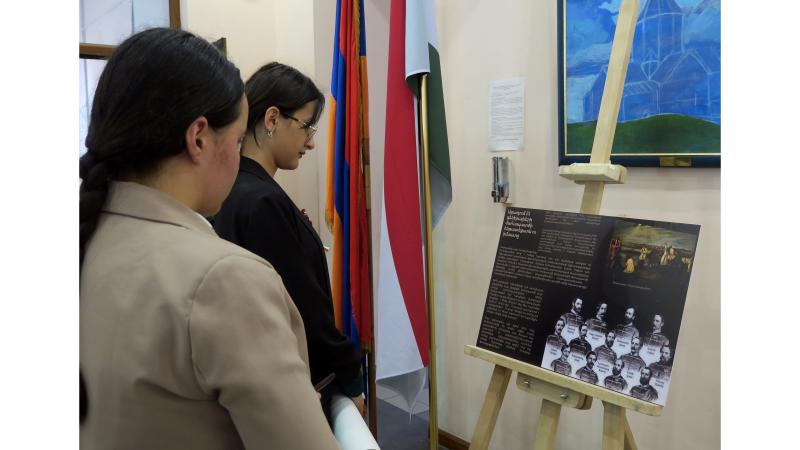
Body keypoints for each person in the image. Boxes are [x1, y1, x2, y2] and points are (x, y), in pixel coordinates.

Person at [79, 29, 338, 450]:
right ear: (199, 138)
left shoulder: (88, 237)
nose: (239, 155)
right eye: (237, 140)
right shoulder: (224, 279)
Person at [212, 61, 364, 421]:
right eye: (307, 126)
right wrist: (351, 377)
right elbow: (304, 308)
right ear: (272, 119)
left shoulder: (230, 189)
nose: (311, 142)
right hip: (293, 387)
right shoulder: (262, 202)